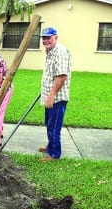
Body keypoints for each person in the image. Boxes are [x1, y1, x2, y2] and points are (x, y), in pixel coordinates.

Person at [38, 27, 72, 162]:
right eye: (43, 38)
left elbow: (62, 76)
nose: (46, 40)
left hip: (57, 98)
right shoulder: (50, 51)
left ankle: (54, 154)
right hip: (49, 95)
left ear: (56, 37)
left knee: (54, 126)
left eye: (48, 37)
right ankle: (50, 145)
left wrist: (51, 95)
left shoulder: (60, 52)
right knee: (49, 123)